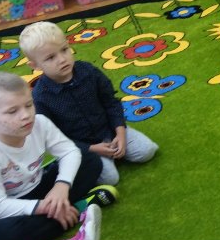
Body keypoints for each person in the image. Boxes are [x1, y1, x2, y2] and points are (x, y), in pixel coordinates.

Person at [0, 72, 103, 240]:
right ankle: (74, 208)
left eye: (29, 105)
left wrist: (61, 186)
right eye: (12, 111)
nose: (26, 115)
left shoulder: (40, 123)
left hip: (38, 186)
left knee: (90, 160)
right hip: (4, 207)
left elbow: (69, 151)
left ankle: (62, 209)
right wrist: (43, 207)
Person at [19, 21, 159, 186]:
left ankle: (114, 153)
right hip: (82, 146)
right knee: (109, 179)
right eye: (50, 57)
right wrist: (91, 149)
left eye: (64, 50)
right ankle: (72, 165)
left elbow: (111, 102)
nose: (62, 59)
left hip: (110, 131)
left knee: (147, 150)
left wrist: (120, 133)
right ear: (35, 65)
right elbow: (52, 137)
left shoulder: (88, 71)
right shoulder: (41, 97)